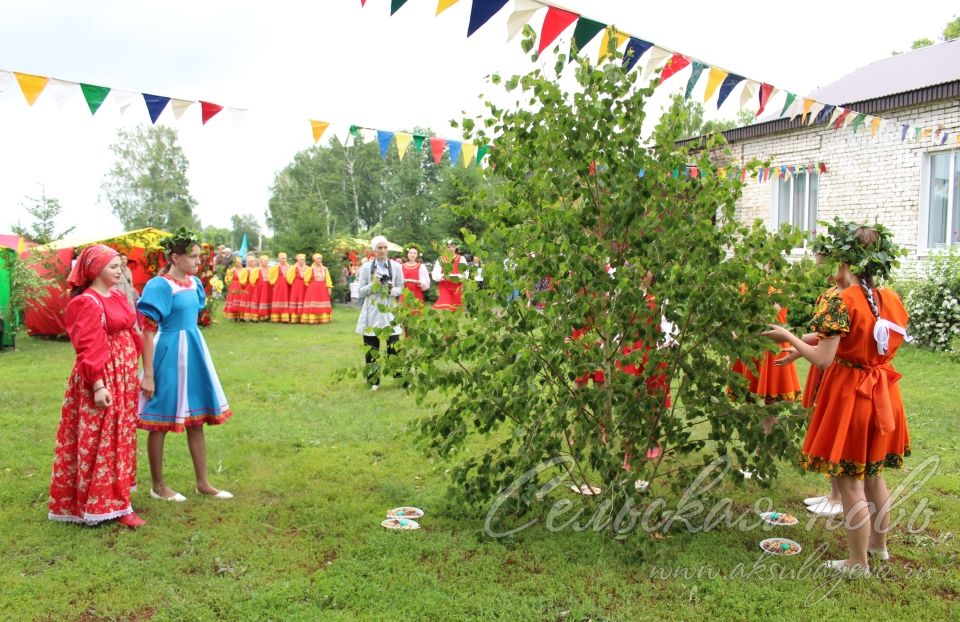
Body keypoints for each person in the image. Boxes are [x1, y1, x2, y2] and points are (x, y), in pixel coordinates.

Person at [762, 222, 909, 576]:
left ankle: (857, 563)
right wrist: (803, 344)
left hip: (852, 396)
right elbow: (848, 335)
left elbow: (826, 358)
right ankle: (878, 547)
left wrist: (788, 338)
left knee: (850, 483)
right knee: (874, 477)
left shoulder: (843, 300)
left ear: (846, 260)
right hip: (884, 393)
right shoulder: (887, 297)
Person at [48, 244, 145, 528]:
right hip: (103, 377)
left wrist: (135, 368)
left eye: (119, 266)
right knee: (103, 438)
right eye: (113, 266)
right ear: (94, 270)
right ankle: (106, 503)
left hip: (123, 377)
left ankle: (115, 498)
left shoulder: (115, 295)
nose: (119, 271)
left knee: (120, 436)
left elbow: (131, 331)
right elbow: (88, 346)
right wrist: (99, 385)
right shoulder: (86, 302)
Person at [138, 228, 233, 502]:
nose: (197, 262)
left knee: (196, 420)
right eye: (192, 257)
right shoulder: (160, 285)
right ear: (174, 257)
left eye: (198, 257)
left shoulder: (194, 284)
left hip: (193, 349)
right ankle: (158, 486)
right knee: (159, 419)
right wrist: (149, 375)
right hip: (168, 352)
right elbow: (147, 331)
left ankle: (203, 483)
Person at [356, 236, 404, 390]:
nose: (383, 251)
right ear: (374, 250)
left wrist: (391, 289)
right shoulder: (366, 268)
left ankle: (400, 377)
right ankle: (373, 381)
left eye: (385, 247)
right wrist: (373, 285)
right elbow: (361, 291)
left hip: (390, 309)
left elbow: (401, 288)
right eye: (379, 248)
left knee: (394, 346)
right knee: (371, 347)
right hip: (372, 310)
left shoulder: (396, 267)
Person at [432, 239, 468, 311]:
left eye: (453, 246)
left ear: (456, 248)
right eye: (448, 247)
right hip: (444, 286)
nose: (451, 248)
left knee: (454, 309)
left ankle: (451, 321)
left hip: (456, 286)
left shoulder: (461, 258)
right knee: (446, 306)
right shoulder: (441, 259)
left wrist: (456, 277)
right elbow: (435, 273)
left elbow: (465, 274)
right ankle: (444, 320)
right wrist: (442, 276)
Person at [302, 253, 334, 324]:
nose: (319, 260)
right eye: (318, 259)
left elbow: (328, 279)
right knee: (313, 304)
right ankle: (313, 319)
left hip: (323, 289)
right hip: (313, 289)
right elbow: (306, 279)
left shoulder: (325, 269)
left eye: (320, 258)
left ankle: (323, 319)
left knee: (323, 303)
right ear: (314, 260)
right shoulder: (311, 269)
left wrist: (329, 287)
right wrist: (310, 286)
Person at [268, 252, 292, 323]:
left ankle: (286, 317)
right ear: (279, 259)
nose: (283, 260)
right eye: (282, 258)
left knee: (287, 298)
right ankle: (276, 317)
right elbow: (271, 276)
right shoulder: (275, 267)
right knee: (279, 298)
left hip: (287, 284)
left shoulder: (289, 267)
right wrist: (274, 282)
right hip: (279, 285)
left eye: (284, 258)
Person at [223, 256, 247, 322]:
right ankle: (234, 316)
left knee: (242, 300)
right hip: (234, 286)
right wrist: (229, 285)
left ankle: (242, 316)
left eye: (240, 262)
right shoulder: (232, 270)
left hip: (243, 286)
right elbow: (227, 279)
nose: (239, 264)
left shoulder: (244, 270)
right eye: (238, 262)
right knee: (234, 300)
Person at [288, 254, 309, 323]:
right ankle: (294, 318)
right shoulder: (294, 267)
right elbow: (289, 277)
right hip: (296, 285)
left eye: (303, 260)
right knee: (295, 298)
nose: (302, 261)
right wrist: (292, 283)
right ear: (297, 260)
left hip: (305, 285)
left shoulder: (308, 268)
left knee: (304, 298)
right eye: (300, 260)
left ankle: (303, 317)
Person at [241, 254, 260, 322]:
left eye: (254, 261)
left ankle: (253, 316)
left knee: (254, 301)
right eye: (252, 262)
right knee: (248, 300)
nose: (254, 263)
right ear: (249, 262)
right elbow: (242, 280)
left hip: (255, 287)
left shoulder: (257, 269)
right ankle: (246, 316)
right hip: (248, 287)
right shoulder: (246, 270)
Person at [254, 254, 272, 321]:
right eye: (265, 261)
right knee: (261, 300)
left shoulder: (270, 268)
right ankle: (260, 315)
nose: (266, 262)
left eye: (267, 261)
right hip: (261, 287)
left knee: (268, 300)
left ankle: (268, 315)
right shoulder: (258, 269)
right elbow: (253, 279)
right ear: (261, 262)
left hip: (269, 286)